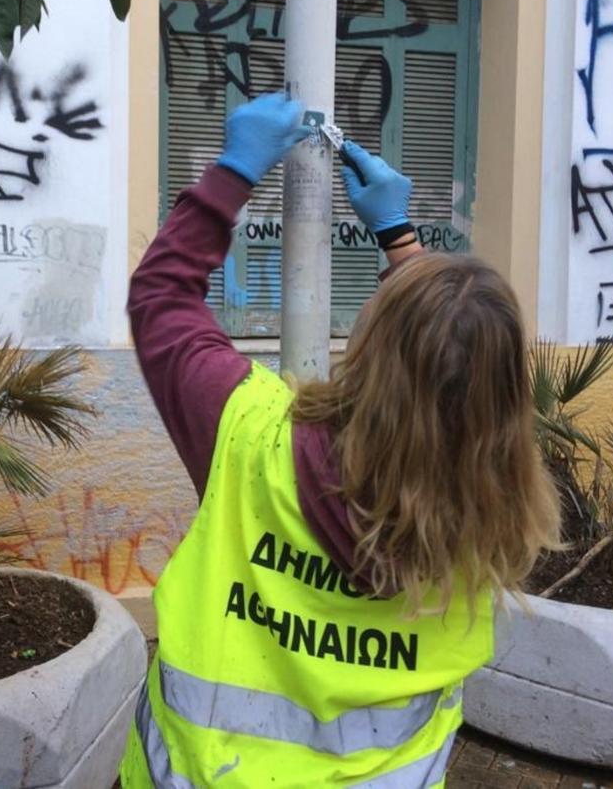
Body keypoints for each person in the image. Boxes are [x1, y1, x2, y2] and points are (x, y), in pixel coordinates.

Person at [120, 93, 560, 788]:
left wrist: (232, 172)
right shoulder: (497, 518)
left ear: (370, 343)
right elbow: (449, 375)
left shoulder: (251, 437)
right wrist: (401, 239)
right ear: (506, 401)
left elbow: (162, 300)